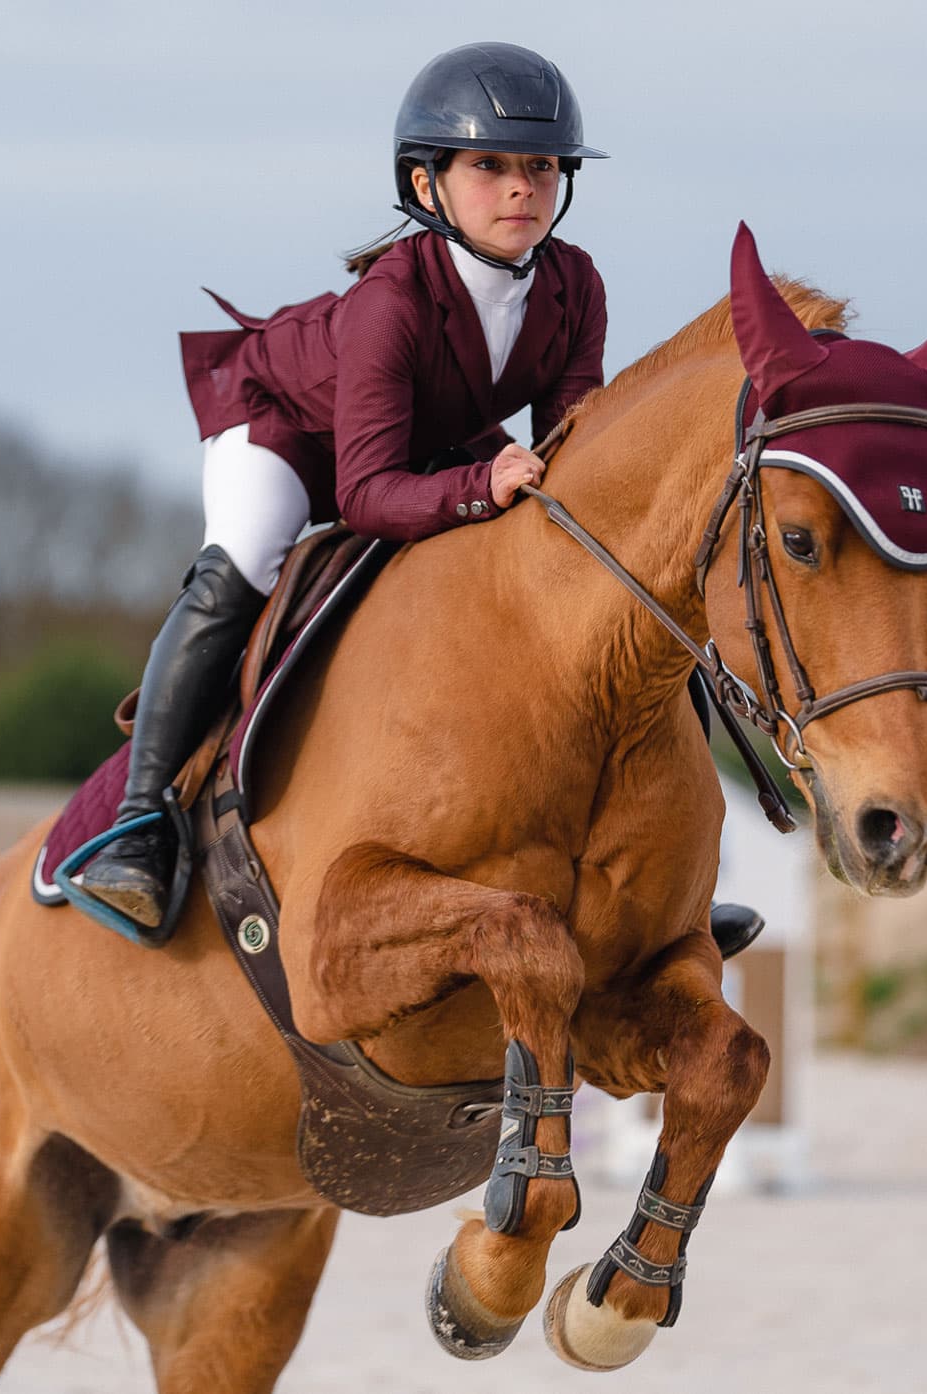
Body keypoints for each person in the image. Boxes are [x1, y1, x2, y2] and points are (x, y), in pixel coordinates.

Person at [81, 42, 610, 937]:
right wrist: (483, 485)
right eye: (490, 165)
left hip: (429, 437)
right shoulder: (391, 302)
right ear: (427, 183)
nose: (523, 187)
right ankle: (138, 827)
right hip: (289, 427)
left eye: (542, 167)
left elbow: (571, 446)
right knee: (245, 560)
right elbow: (365, 494)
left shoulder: (575, 283)